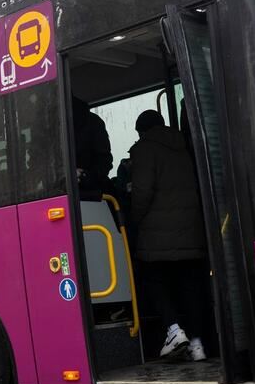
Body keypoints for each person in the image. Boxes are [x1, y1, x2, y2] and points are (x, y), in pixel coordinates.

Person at [128, 110, 212, 362]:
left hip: (157, 234)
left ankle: (174, 330)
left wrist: (135, 218)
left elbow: (142, 191)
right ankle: (197, 344)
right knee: (190, 288)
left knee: (153, 280)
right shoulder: (185, 145)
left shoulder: (144, 149)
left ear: (142, 131)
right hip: (191, 231)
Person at [71, 97, 113, 198]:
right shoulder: (46, 126)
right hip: (58, 194)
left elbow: (105, 161)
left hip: (93, 195)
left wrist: (84, 175)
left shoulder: (92, 122)